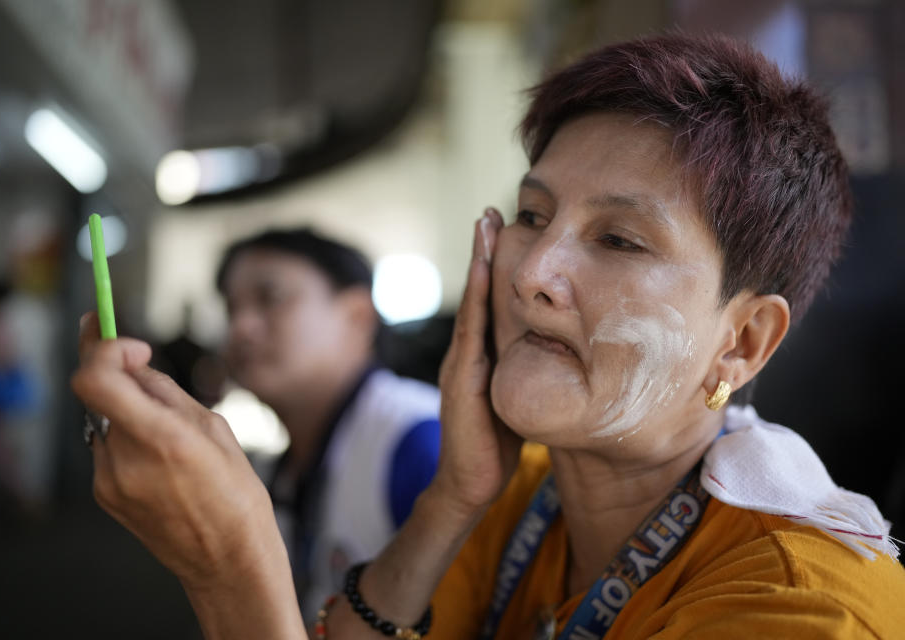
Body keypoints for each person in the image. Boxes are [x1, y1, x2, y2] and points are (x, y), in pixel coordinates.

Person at [71, 32, 905, 640]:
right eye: (533, 215)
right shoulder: (517, 493)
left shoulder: (808, 606)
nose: (531, 269)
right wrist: (453, 500)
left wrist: (229, 565)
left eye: (619, 240)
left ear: (745, 341)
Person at [213, 228, 441, 614]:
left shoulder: (419, 440)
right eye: (231, 308)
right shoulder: (276, 468)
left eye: (270, 299)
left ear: (357, 316)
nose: (240, 328)